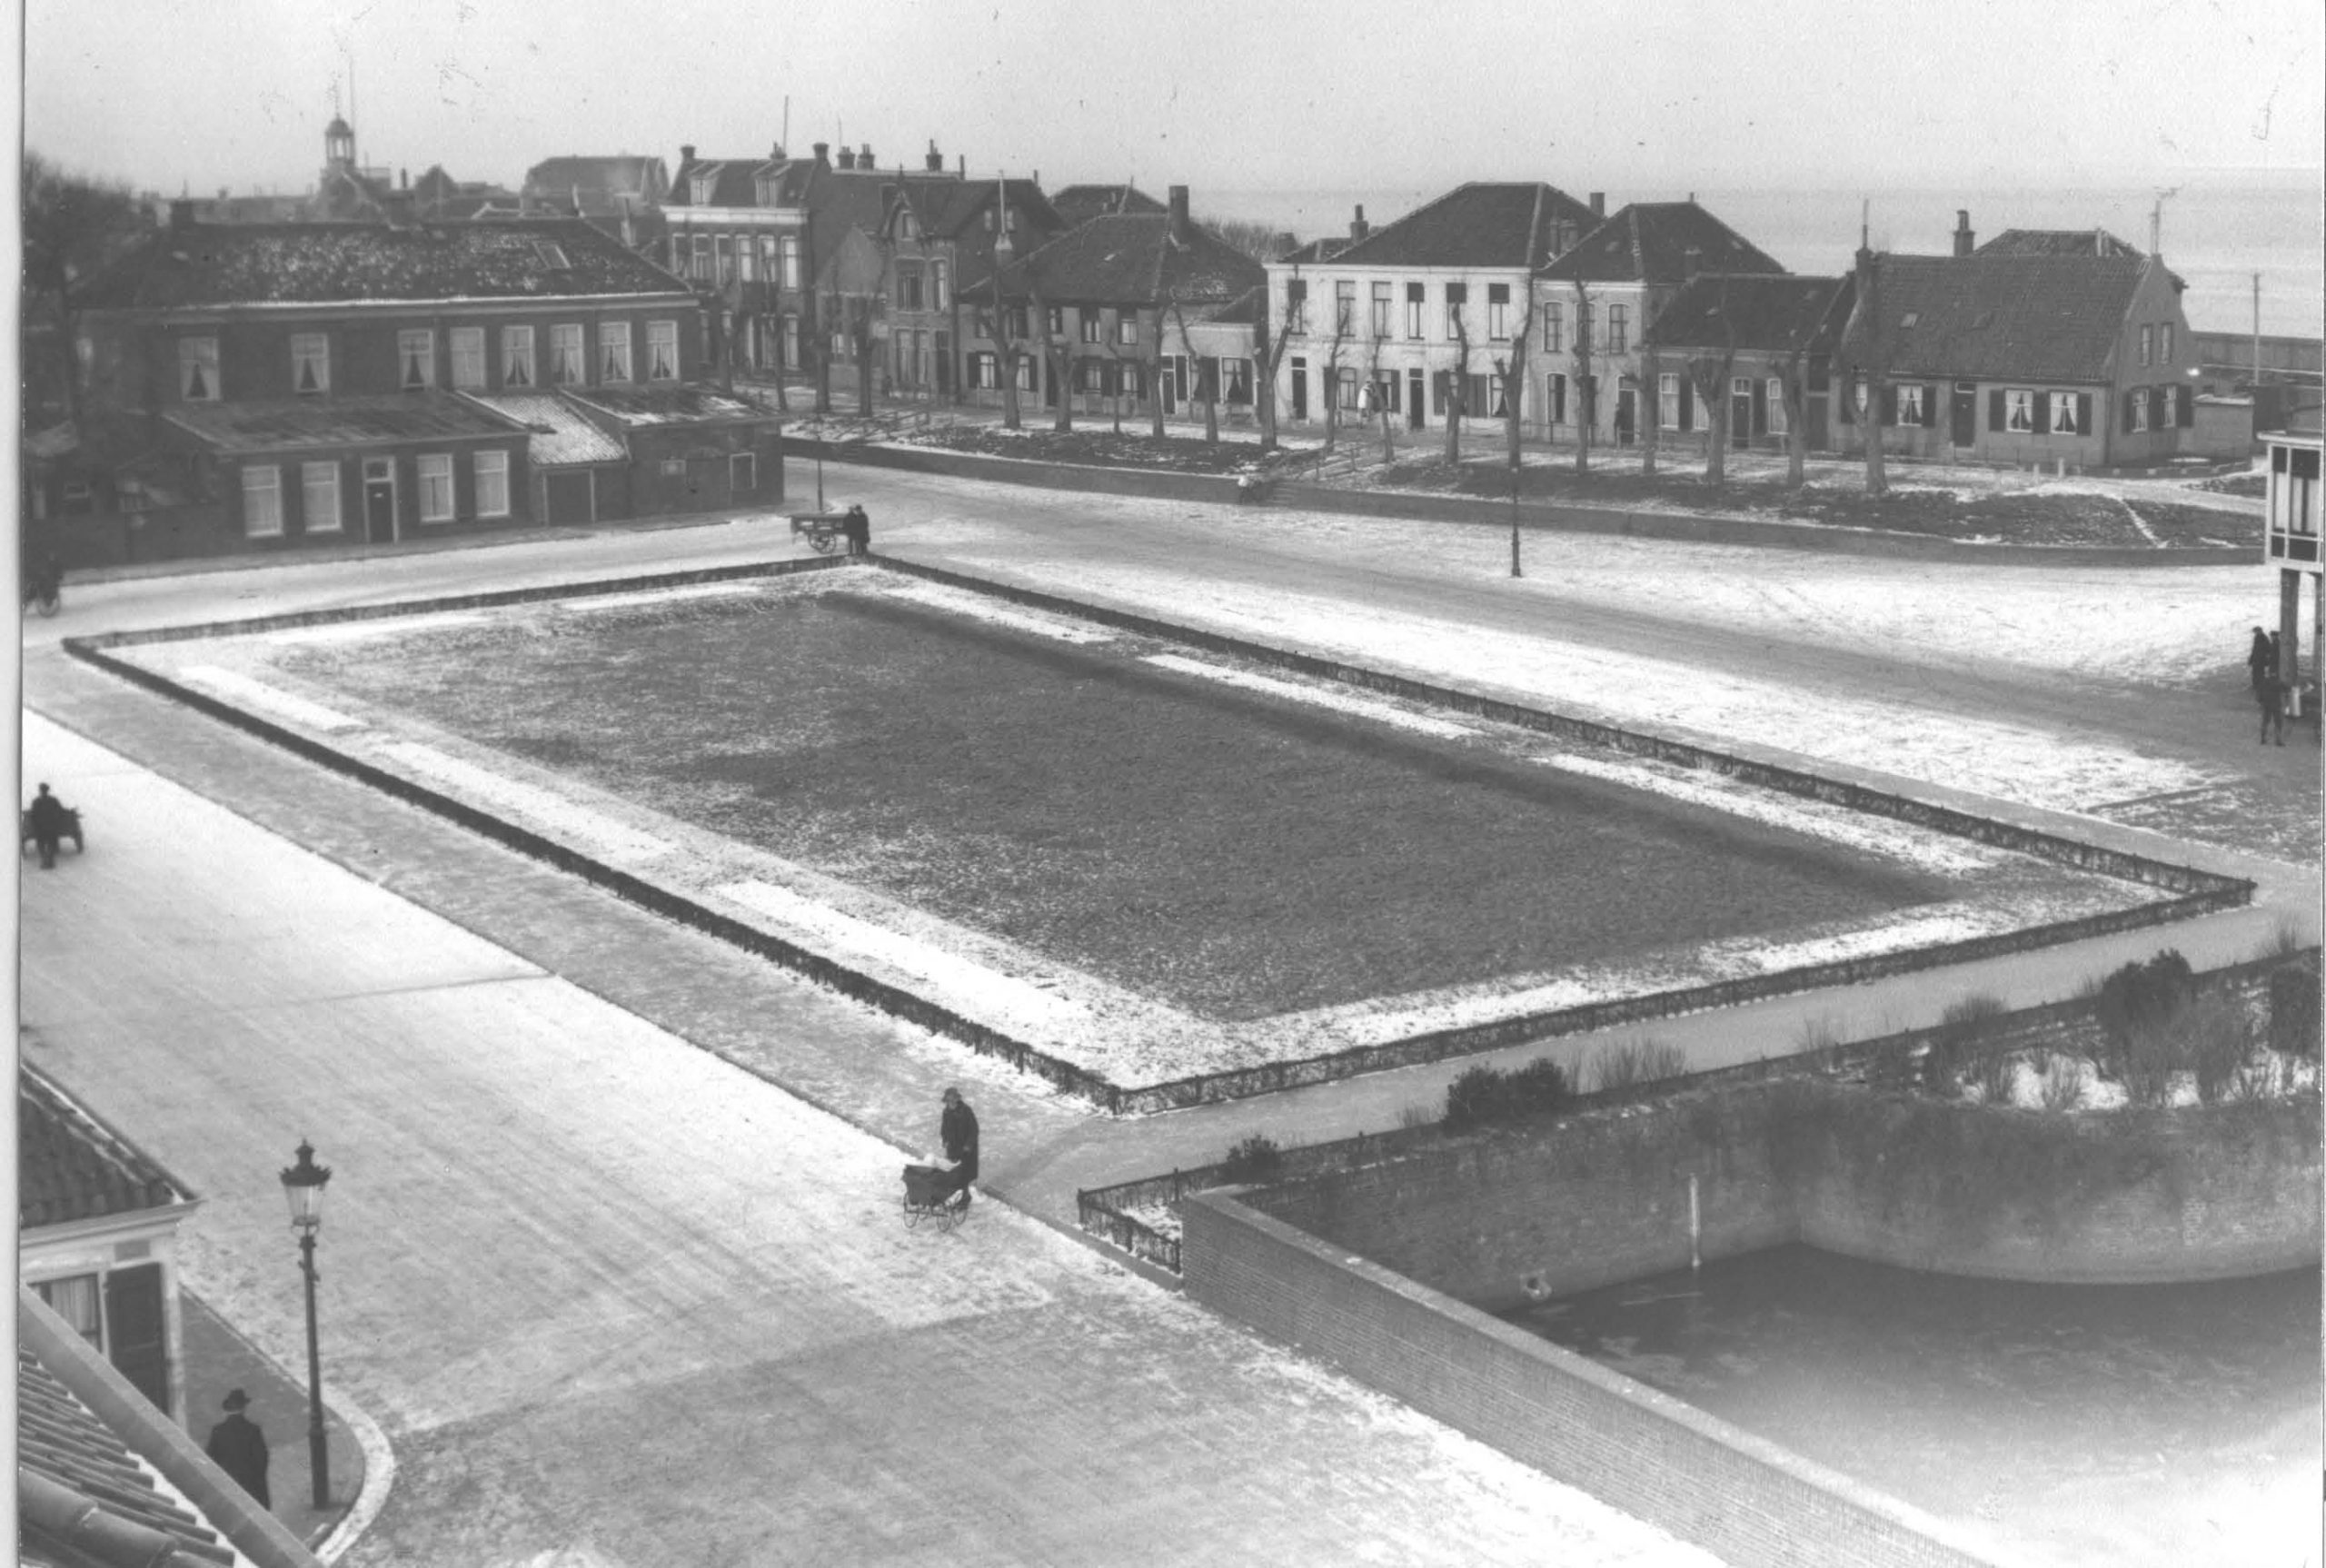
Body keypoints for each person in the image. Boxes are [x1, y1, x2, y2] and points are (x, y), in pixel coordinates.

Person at [204, 1388, 271, 1507]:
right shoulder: (253, 1430)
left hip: (227, 1486)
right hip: (251, 1487)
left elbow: (210, 1460)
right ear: (244, 1408)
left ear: (227, 1410)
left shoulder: (218, 1431)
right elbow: (262, 1460)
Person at [938, 1086, 979, 1208]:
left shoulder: (966, 1111)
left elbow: (974, 1130)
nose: (950, 1103)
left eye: (952, 1101)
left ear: (956, 1100)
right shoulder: (946, 1112)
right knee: (953, 1174)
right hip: (953, 1149)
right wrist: (945, 1140)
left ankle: (965, 1200)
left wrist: (968, 1145)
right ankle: (954, 1197)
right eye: (948, 1102)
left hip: (966, 1150)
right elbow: (944, 1128)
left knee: (964, 1175)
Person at [25, 783, 72, 870]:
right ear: (47, 790)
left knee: (41, 845)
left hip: (40, 828)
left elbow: (33, 815)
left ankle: (44, 861)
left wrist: (36, 825)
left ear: (40, 791)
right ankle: (50, 861)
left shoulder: (36, 801)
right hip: (52, 827)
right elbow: (60, 811)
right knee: (52, 844)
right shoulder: (53, 800)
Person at [2257, 661, 2288, 745]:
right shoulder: (2279, 682)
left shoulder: (2264, 681)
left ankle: (2263, 738)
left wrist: (2260, 701)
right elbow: (2286, 689)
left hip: (2266, 704)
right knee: (2278, 722)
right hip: (2277, 705)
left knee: (2265, 721)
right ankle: (2278, 740)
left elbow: (2259, 693)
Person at [2248, 627, 2274, 693]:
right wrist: (2251, 659)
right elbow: (2254, 649)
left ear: (2259, 631)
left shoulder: (2264, 638)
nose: (2255, 633)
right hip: (2257, 658)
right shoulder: (2258, 637)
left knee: (2259, 673)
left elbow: (2267, 650)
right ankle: (2256, 685)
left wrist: (2266, 659)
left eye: (2255, 632)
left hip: (2260, 659)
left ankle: (2259, 686)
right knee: (2256, 672)